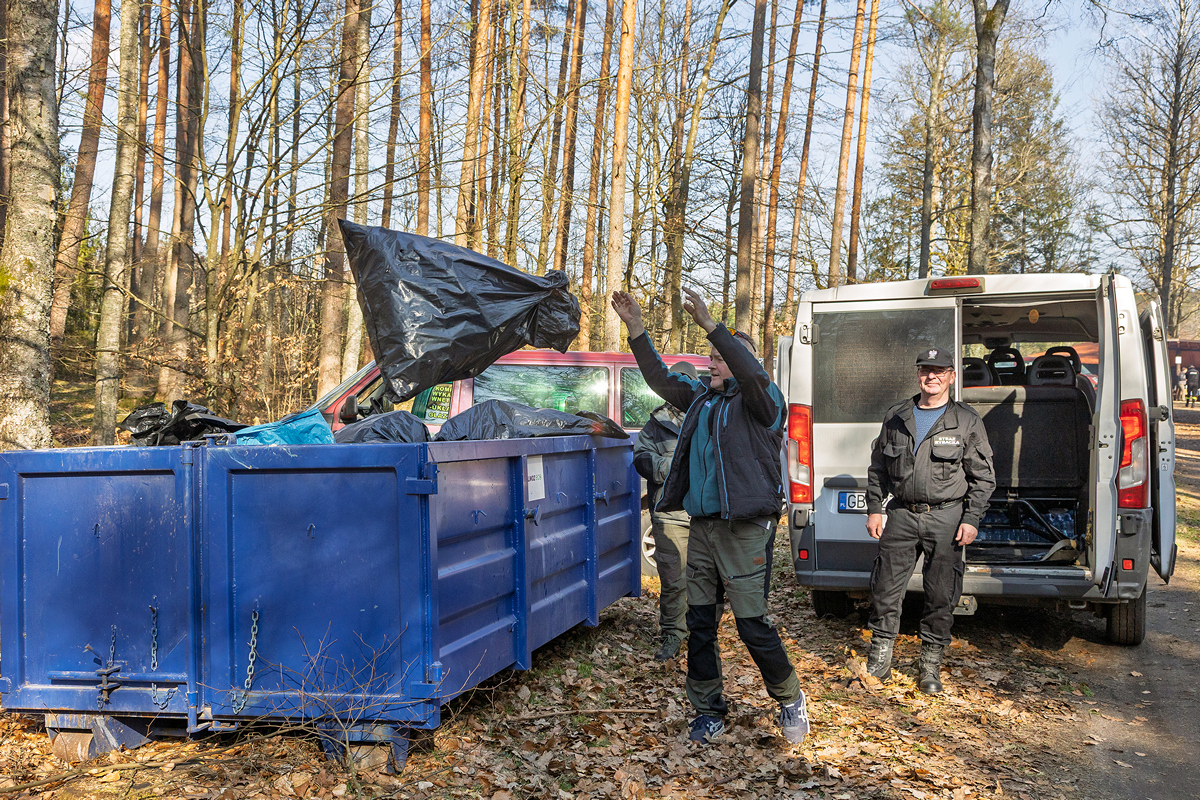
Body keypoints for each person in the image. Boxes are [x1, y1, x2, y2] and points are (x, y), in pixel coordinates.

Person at [611, 287, 809, 745]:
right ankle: (708, 710)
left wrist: (713, 326)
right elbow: (660, 379)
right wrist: (636, 328)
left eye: (720, 359)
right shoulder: (703, 400)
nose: (711, 365)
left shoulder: (764, 402)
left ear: (741, 362)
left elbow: (751, 375)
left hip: (745, 530)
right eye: (711, 358)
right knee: (699, 623)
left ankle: (789, 697)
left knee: (752, 624)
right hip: (702, 528)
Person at [863, 346, 996, 694]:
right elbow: (878, 468)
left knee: (941, 595)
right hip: (902, 515)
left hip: (946, 518)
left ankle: (930, 667)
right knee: (885, 590)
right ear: (918, 374)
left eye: (938, 371)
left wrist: (971, 518)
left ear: (951, 376)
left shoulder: (966, 421)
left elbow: (983, 478)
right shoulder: (897, 416)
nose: (931, 376)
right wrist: (874, 507)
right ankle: (879, 663)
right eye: (925, 370)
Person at [634, 360, 699, 662]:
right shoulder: (657, 422)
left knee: (707, 579)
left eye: (685, 382)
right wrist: (669, 466)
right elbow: (641, 457)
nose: (678, 388)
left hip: (704, 513)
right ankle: (673, 634)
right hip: (669, 514)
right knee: (673, 579)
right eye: (675, 381)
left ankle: (702, 632)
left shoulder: (706, 414)